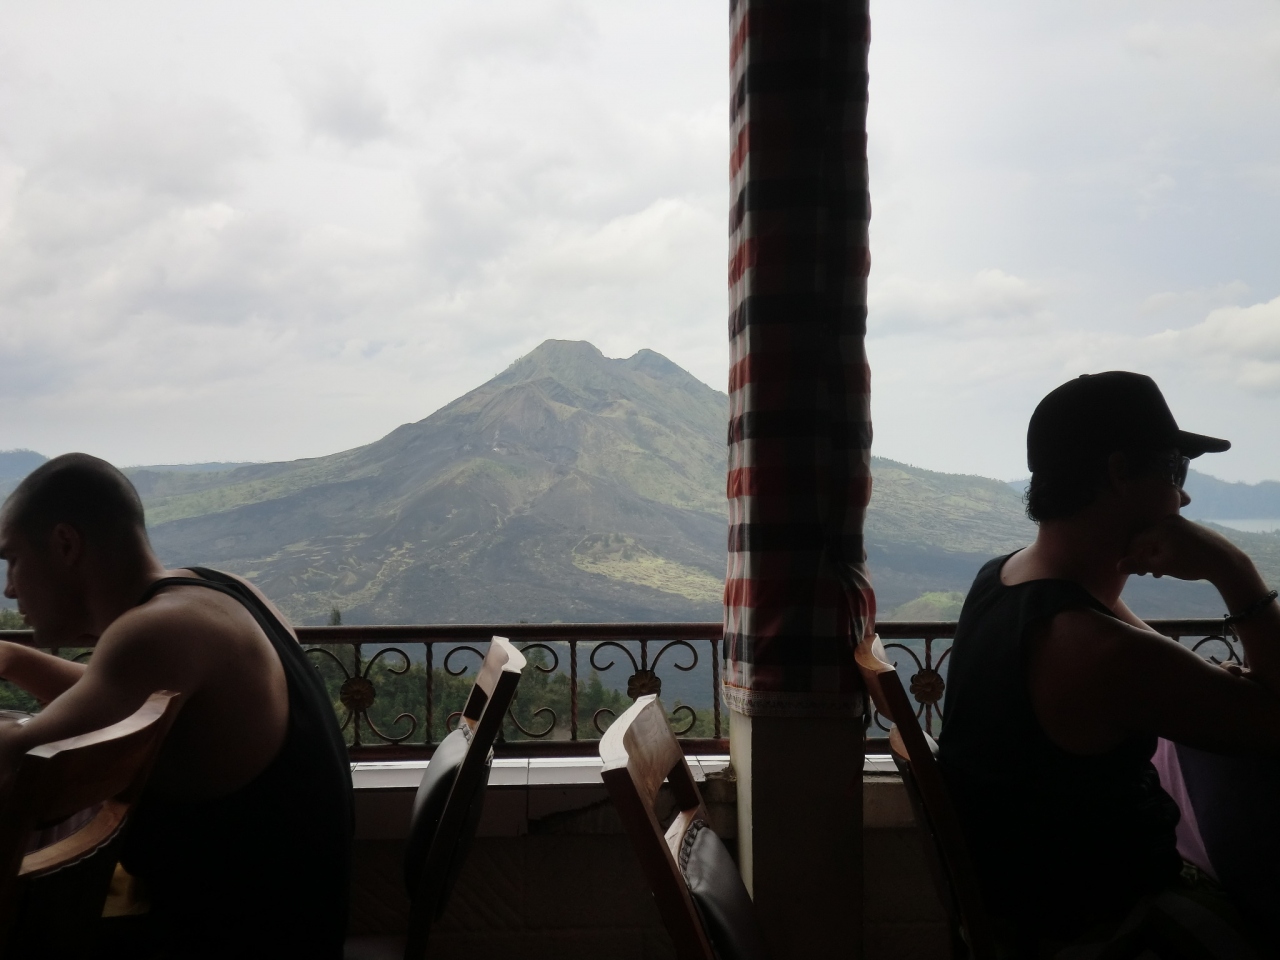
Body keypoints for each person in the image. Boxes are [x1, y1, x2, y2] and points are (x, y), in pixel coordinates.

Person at [937, 372, 1280, 955]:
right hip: (1112, 927)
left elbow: (1162, 664)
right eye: (1175, 472)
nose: (1184, 499)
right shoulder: (1091, 647)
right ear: (1119, 472)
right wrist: (1233, 569)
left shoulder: (1005, 577)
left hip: (1027, 911)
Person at [0, 453, 353, 958]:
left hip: (233, 940)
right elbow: (121, 699)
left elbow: (18, 765)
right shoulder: (216, 592)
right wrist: (13, 659)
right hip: (290, 922)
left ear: (65, 544)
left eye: (12, 559)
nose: (10, 588)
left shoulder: (157, 633)